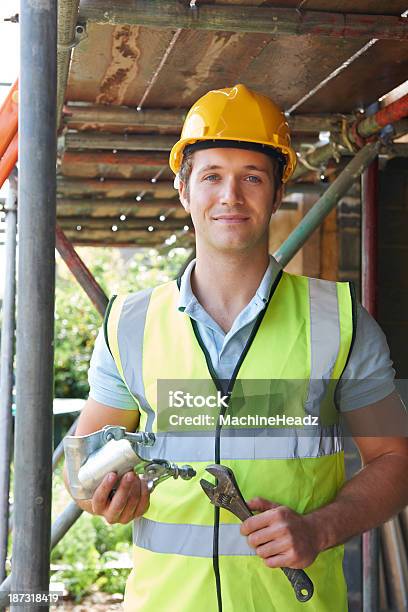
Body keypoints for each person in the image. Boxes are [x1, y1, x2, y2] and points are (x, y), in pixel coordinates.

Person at [64, 84, 408, 611]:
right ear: (184, 190)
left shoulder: (340, 323)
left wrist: (319, 528)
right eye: (212, 176)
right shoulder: (130, 325)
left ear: (275, 192)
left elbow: (395, 460)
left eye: (252, 177)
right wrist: (105, 498)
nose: (231, 196)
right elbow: (83, 470)